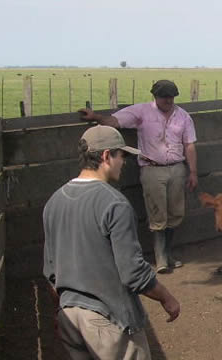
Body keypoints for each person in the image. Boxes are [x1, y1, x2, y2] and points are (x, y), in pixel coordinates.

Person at [43, 125, 182, 360]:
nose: (125, 163)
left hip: (71, 313)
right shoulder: (113, 204)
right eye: (122, 155)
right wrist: (167, 297)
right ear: (105, 157)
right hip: (109, 316)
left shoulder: (55, 201)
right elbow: (133, 272)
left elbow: (51, 270)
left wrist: (62, 311)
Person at [79, 79, 198, 273]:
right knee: (157, 213)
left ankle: (168, 253)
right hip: (152, 169)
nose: (168, 100)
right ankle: (160, 258)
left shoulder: (183, 117)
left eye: (171, 96)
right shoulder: (142, 112)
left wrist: (192, 171)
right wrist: (96, 116)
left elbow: (189, 145)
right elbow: (115, 121)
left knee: (176, 213)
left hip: (177, 167)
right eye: (163, 96)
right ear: (155, 96)